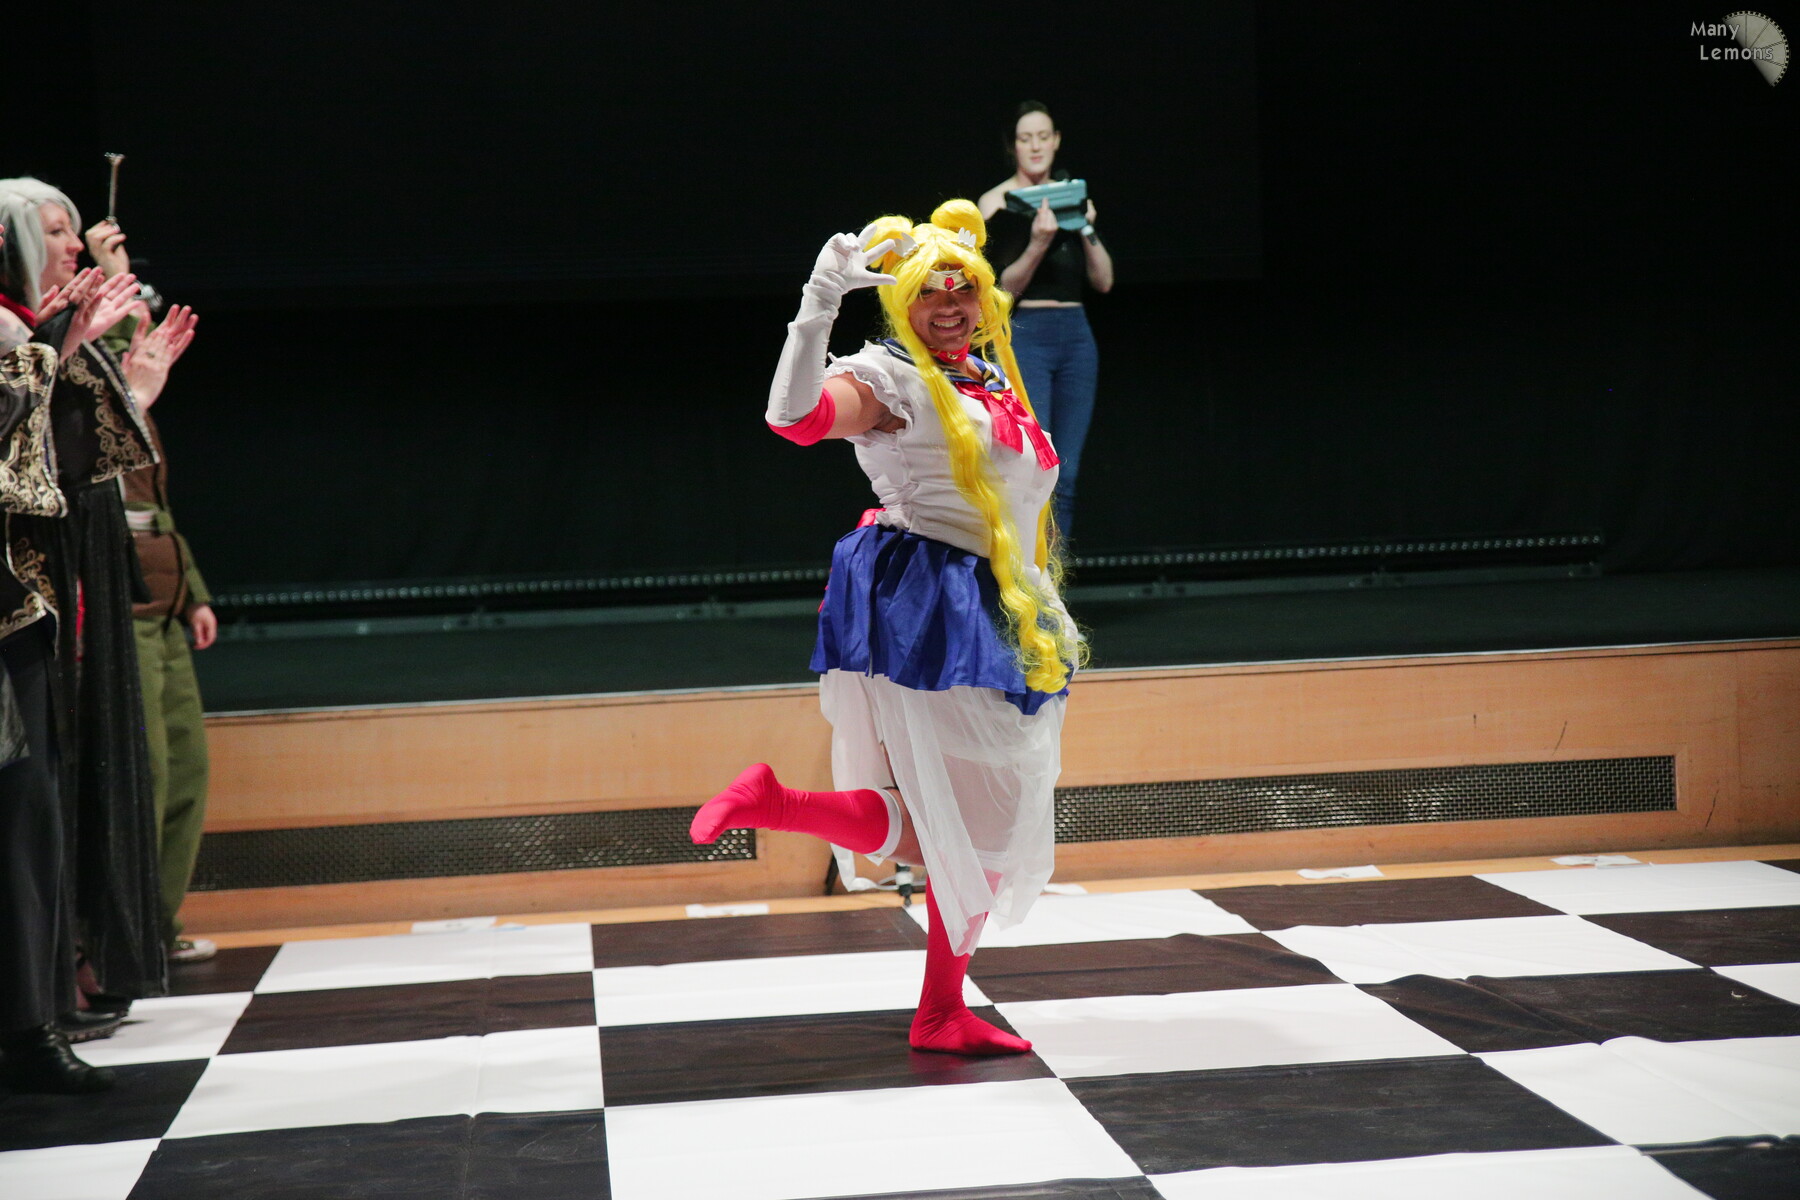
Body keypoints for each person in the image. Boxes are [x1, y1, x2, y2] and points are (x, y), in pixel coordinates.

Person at [691, 200, 1081, 1056]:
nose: (950, 305)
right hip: (942, 608)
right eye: (930, 291)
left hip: (1003, 605)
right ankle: (790, 815)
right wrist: (820, 298)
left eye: (963, 289)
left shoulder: (983, 376)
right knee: (979, 829)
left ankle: (936, 1003)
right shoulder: (889, 378)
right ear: (900, 299)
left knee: (963, 827)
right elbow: (793, 419)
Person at [0, 179, 167, 1030]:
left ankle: (62, 979)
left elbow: (81, 460)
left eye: (74, 230)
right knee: (31, 797)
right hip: (21, 592)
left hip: (56, 590)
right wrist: (66, 348)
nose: (72, 247)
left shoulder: (31, 334)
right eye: (56, 232)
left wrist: (123, 379)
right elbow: (32, 461)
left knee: (55, 792)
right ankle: (40, 1000)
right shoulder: (14, 334)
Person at [90, 220, 214, 967]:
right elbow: (104, 353)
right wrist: (112, 271)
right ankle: (122, 937)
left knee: (186, 772)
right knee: (148, 776)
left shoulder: (140, 409)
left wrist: (191, 591)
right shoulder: (95, 392)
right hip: (122, 610)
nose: (150, 332)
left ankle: (156, 927)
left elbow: (156, 509)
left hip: (161, 608)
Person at [979, 102, 1114, 538]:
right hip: (1027, 337)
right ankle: (1026, 571)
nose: (1035, 146)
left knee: (1067, 474)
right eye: (1025, 138)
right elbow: (1002, 289)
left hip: (1076, 338)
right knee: (1036, 467)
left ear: (1055, 141)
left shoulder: (1071, 195)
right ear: (1013, 146)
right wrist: (1038, 243)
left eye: (1043, 137)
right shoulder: (996, 203)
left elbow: (1104, 281)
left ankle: (1056, 575)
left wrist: (1086, 226)